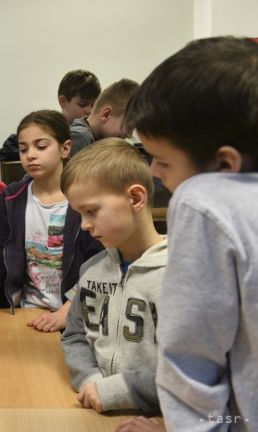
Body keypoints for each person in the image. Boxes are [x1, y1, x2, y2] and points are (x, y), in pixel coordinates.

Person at [124, 36, 258, 431]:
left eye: (163, 160)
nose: (153, 171)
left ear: (224, 163)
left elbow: (191, 357)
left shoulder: (206, 200)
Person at [0, 110, 103, 332]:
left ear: (65, 148)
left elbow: (99, 263)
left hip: (77, 314)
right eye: (24, 149)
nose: (30, 155)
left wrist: (68, 310)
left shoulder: (86, 199)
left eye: (41, 147)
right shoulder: (12, 198)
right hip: (27, 314)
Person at [60, 138, 166, 413]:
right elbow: (74, 336)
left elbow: (194, 370)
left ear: (135, 198)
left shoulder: (179, 275)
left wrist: (119, 391)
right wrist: (89, 378)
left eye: (91, 211)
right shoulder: (91, 270)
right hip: (98, 410)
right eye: (80, 214)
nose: (84, 225)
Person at [69, 78, 139, 156]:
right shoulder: (80, 138)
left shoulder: (95, 139)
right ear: (106, 114)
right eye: (129, 126)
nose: (129, 135)